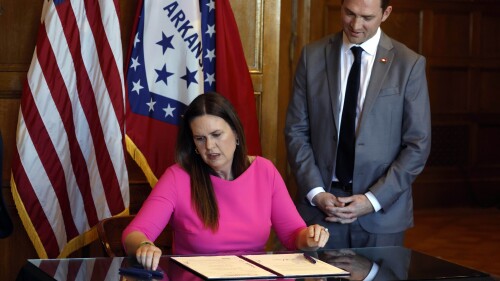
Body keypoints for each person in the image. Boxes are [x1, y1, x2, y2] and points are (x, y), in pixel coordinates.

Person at [123, 92, 330, 270]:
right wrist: (144, 245)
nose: (210, 147)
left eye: (216, 134)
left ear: (236, 133)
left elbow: (294, 235)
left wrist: (311, 237)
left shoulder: (265, 171)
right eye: (200, 138)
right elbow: (133, 233)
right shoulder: (177, 177)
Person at [285, 0, 431, 249]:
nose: (355, 25)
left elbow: (417, 145)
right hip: (321, 211)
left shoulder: (409, 64)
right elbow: (296, 130)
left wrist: (372, 199)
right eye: (349, 13)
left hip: (381, 214)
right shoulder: (313, 56)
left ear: (385, 13)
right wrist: (316, 192)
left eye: (366, 17)